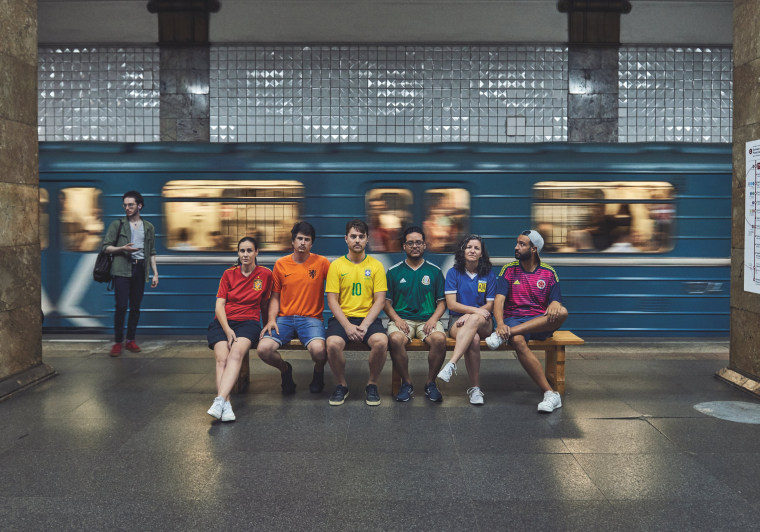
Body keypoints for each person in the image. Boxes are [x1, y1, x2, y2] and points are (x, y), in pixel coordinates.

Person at [490, 230, 568, 413]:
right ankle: (550, 394)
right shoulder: (508, 270)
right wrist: (500, 324)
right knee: (517, 340)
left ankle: (507, 334)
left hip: (538, 321)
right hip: (514, 319)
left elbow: (556, 300)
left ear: (534, 249)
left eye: (522, 244)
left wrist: (555, 303)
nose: (516, 247)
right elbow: (499, 300)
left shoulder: (549, 272)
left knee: (563, 312)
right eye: (517, 243)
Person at [258, 221, 331, 394]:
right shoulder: (280, 264)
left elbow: (337, 288)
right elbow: (274, 297)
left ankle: (318, 373)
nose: (302, 243)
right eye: (299, 239)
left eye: (307, 239)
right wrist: (270, 320)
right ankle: (285, 370)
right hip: (285, 319)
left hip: (312, 319)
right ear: (293, 241)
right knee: (263, 350)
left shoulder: (322, 263)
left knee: (319, 352)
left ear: (311, 243)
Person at [206, 236, 273, 422]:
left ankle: (219, 400)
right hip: (223, 322)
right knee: (222, 358)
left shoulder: (265, 274)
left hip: (248, 323)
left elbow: (265, 304)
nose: (245, 254)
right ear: (238, 253)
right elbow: (219, 306)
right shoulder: (228, 274)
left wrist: (267, 323)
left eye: (249, 250)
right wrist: (227, 330)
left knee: (235, 354)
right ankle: (225, 404)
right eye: (242, 251)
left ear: (257, 252)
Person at [325, 219, 389, 406]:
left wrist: (364, 325)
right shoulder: (336, 266)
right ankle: (341, 385)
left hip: (367, 319)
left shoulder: (376, 266)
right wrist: (347, 326)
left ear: (367, 239)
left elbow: (380, 300)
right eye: (353, 236)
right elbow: (332, 301)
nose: (357, 240)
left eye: (361, 236)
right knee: (333, 343)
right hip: (342, 319)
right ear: (346, 239)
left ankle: (372, 384)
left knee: (381, 342)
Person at [384, 226, 447, 402]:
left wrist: (434, 319)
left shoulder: (434, 271)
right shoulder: (393, 271)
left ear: (424, 245)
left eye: (418, 242)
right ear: (404, 246)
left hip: (428, 319)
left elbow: (442, 302)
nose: (414, 246)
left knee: (440, 340)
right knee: (396, 339)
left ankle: (430, 383)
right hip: (402, 319)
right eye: (410, 243)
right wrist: (397, 319)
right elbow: (386, 303)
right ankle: (407, 383)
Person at [437, 235, 496, 405]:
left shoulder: (488, 275)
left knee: (475, 323)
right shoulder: (453, 273)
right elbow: (451, 304)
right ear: (462, 251)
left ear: (481, 254)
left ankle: (452, 363)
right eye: (469, 247)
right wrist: (473, 312)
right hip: (457, 321)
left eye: (476, 248)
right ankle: (476, 390)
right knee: (474, 339)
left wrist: (472, 315)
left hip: (484, 321)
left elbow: (490, 306)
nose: (472, 250)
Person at [102, 191, 158, 356]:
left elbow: (152, 252)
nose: (127, 208)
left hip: (140, 269)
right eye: (125, 205)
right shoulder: (117, 225)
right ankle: (118, 342)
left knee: (135, 307)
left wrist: (155, 273)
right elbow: (106, 247)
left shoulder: (148, 227)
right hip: (121, 269)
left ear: (139, 205)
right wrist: (122, 249)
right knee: (121, 306)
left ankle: (130, 340)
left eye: (131, 205)